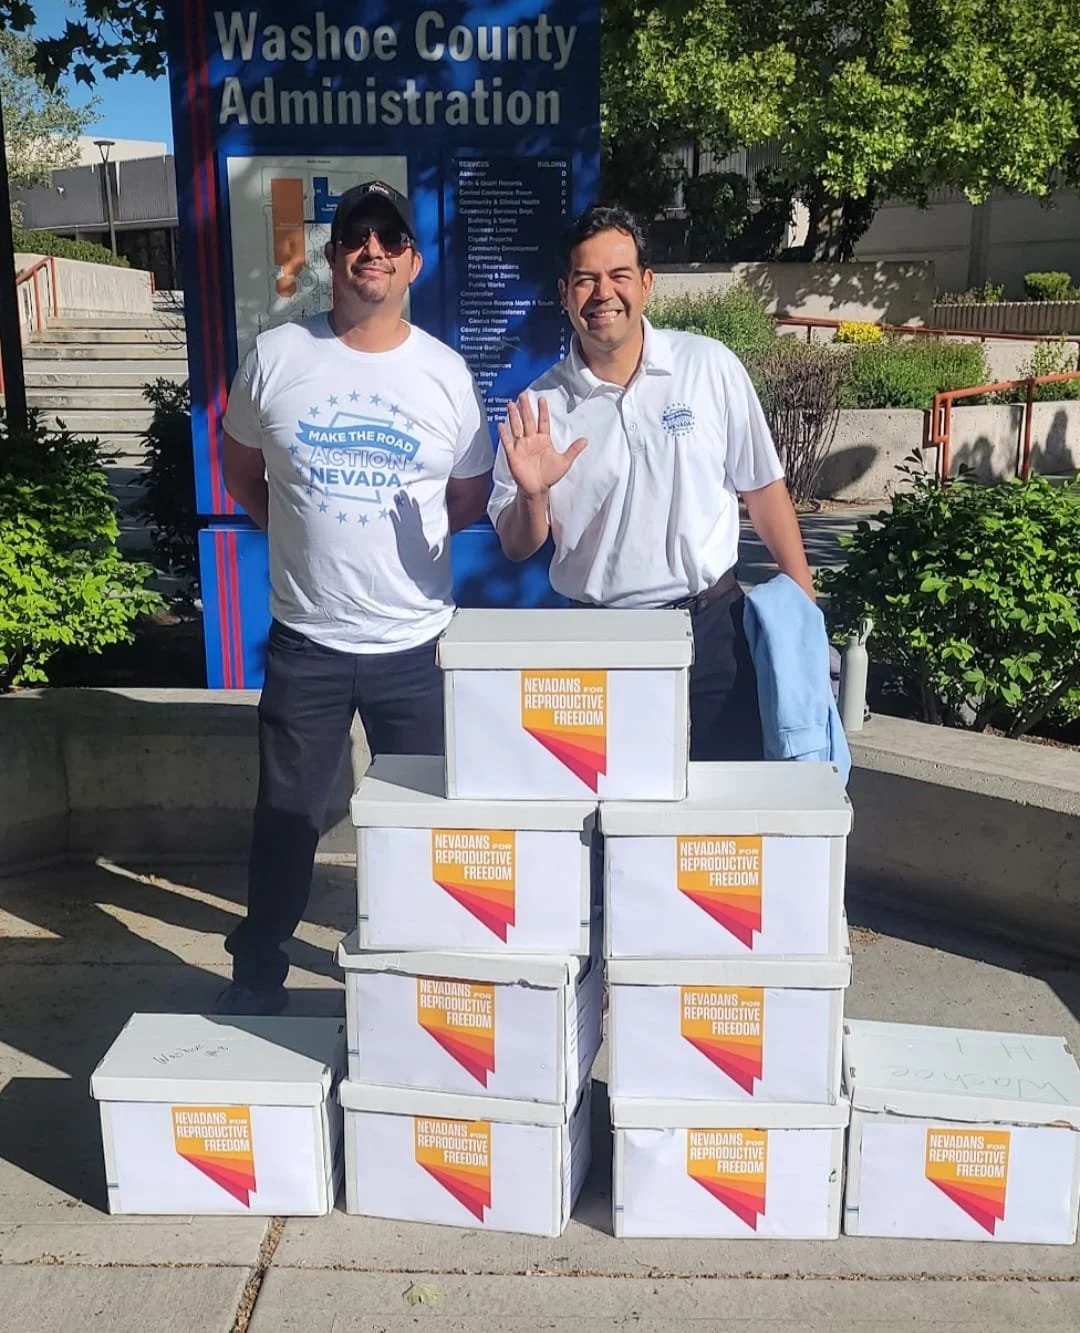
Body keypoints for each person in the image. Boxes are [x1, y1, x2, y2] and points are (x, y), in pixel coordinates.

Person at [218, 180, 492, 1014]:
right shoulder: (277, 357)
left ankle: (424, 975)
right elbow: (242, 473)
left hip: (415, 647)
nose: (371, 249)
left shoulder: (444, 373)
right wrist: (298, 535)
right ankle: (259, 965)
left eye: (388, 238)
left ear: (412, 259)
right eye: (354, 236)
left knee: (420, 827)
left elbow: (470, 499)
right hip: (308, 641)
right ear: (333, 258)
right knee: (288, 819)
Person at [488, 204, 815, 762]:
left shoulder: (708, 367)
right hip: (598, 647)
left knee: (718, 817)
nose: (603, 293)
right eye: (586, 279)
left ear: (646, 283)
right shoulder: (538, 410)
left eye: (618, 276)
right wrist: (533, 494)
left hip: (714, 632)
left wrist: (805, 606)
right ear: (565, 293)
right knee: (609, 820)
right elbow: (519, 546)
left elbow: (763, 489)